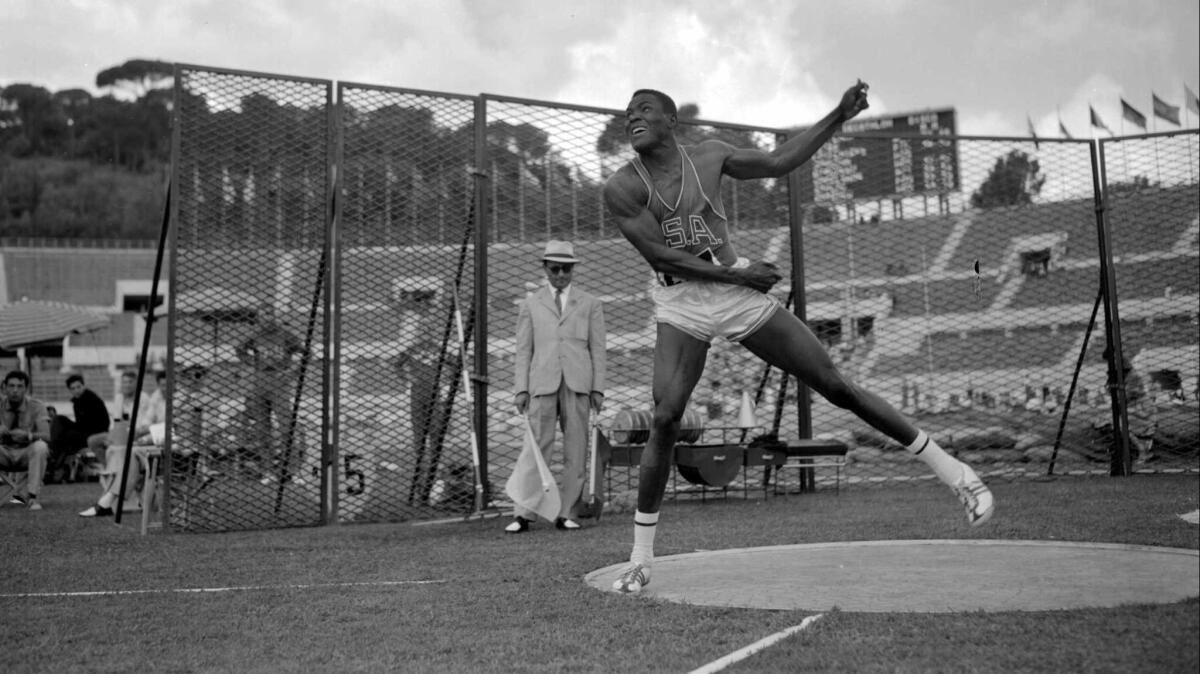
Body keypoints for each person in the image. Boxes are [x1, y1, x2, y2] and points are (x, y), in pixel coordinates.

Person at [601, 83, 994, 593]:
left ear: (671, 121)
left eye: (644, 109)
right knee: (665, 417)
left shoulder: (710, 156)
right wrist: (742, 277)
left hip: (734, 291)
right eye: (628, 111)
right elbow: (663, 258)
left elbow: (780, 160)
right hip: (684, 304)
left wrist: (838, 115)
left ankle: (957, 474)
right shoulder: (622, 187)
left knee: (837, 387)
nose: (632, 115)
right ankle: (640, 558)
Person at [506, 240, 607, 532]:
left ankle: (568, 512)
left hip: (578, 383)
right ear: (545, 268)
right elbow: (524, 350)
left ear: (573, 269)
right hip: (542, 383)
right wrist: (521, 389)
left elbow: (598, 349)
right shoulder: (530, 304)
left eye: (566, 269)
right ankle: (524, 512)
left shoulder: (590, 304)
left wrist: (597, 389)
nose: (561, 274)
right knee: (536, 447)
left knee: (577, 448)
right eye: (555, 269)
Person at [236, 303, 307, 480]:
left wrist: (292, 372)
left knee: (286, 427)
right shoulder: (255, 335)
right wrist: (252, 362)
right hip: (259, 382)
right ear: (259, 317)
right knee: (262, 429)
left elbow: (306, 353)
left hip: (280, 382)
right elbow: (239, 349)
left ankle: (291, 470)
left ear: (274, 315)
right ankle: (267, 470)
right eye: (263, 315)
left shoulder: (285, 335)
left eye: (269, 314)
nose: (266, 317)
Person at [79, 370, 164, 518]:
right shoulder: (124, 398)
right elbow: (120, 421)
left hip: (141, 436)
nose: (127, 385)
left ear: (136, 383)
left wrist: (140, 434)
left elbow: (144, 424)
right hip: (130, 433)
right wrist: (114, 435)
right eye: (124, 382)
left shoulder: (145, 398)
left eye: (130, 382)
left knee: (130, 451)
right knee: (97, 441)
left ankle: (108, 497)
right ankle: (112, 471)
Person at [0, 370, 51, 510]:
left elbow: (47, 436)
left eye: (19, 386)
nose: (15, 390)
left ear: (26, 389)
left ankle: (33, 497)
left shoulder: (37, 406)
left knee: (41, 446)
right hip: (3, 452)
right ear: (4, 388)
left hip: (26, 454)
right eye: (11, 386)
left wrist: (29, 436)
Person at [48, 373, 111, 481]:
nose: (76, 390)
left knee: (65, 436)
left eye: (79, 387)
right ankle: (54, 458)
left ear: (83, 386)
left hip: (95, 434)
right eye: (73, 388)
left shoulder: (91, 399)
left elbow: (104, 423)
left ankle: (54, 461)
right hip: (83, 431)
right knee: (58, 420)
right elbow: (80, 423)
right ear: (70, 390)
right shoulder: (77, 402)